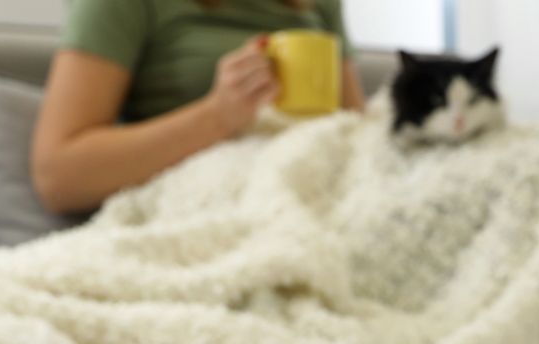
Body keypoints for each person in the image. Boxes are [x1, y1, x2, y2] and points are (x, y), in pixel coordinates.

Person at [32, 0, 365, 215]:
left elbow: (361, 138)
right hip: (204, 209)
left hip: (320, 205)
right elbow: (59, 174)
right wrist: (216, 117)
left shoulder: (319, 6)